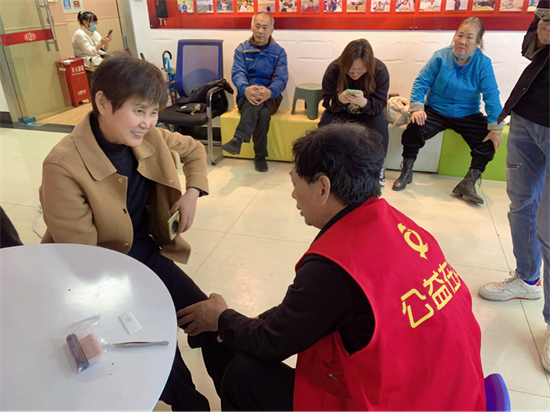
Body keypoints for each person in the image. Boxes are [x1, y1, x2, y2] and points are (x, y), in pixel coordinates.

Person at [178, 123, 486, 412]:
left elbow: (272, 343)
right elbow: (319, 309)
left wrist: (222, 319)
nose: (293, 194)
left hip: (402, 402)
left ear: (323, 187)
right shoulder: (401, 227)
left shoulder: (336, 265)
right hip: (456, 395)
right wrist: (251, 320)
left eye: (295, 183)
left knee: (242, 376)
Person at [39, 53, 232, 412]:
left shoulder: (149, 136)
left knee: (211, 322)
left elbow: (193, 150)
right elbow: (84, 261)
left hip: (145, 256)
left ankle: (236, 397)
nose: (148, 122)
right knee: (163, 356)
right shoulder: (63, 165)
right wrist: (147, 305)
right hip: (100, 278)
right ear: (102, 103)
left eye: (154, 111)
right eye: (139, 111)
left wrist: (193, 192)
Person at [478, 0, 550, 373]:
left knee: (549, 227)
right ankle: (527, 278)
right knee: (520, 204)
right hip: (526, 114)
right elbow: (528, 47)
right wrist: (541, 35)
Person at [392, 17, 503, 205]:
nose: (462, 41)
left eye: (469, 37)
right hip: (436, 109)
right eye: (460, 35)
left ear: (478, 42)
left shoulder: (483, 64)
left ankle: (469, 181)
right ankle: (407, 171)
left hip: (467, 113)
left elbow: (491, 95)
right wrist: (417, 107)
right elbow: (421, 82)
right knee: (414, 128)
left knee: (489, 141)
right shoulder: (440, 56)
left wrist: (496, 128)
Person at [221, 13, 288, 173]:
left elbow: (281, 78)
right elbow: (237, 73)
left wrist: (269, 92)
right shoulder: (242, 49)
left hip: (271, 97)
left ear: (271, 30)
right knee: (263, 115)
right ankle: (260, 157)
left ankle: (238, 139)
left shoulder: (279, 52)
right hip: (246, 95)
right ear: (252, 27)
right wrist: (246, 89)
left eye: (265, 27)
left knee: (260, 106)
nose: (260, 31)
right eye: (257, 26)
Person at [319, 39, 390, 186]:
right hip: (341, 110)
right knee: (325, 124)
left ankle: (378, 167)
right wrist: (339, 99)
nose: (355, 74)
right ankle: (325, 167)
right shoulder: (334, 69)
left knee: (380, 126)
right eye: (350, 70)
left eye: (361, 70)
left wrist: (364, 102)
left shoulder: (380, 70)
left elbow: (380, 104)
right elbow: (326, 101)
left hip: (368, 112)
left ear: (369, 66)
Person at [72, 11, 111, 88]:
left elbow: (105, 49)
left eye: (96, 23)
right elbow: (90, 52)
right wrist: (101, 43)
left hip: (97, 59)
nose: (95, 25)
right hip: (88, 63)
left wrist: (106, 42)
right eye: (93, 22)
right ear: (85, 22)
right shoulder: (80, 34)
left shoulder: (94, 33)